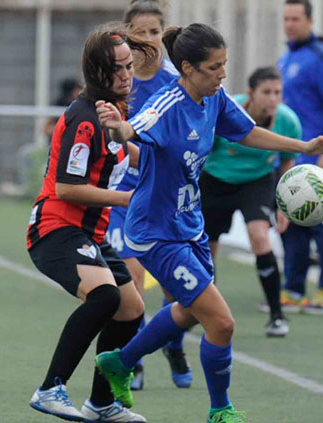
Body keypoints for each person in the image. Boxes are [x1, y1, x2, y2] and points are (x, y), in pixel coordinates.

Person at [93, 23, 323, 423]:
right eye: (214, 67)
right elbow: (131, 129)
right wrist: (117, 127)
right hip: (157, 232)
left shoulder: (215, 98)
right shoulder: (167, 105)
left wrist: (306, 147)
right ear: (187, 68)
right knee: (222, 322)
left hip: (190, 224)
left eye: (225, 65)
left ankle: (120, 361)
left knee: (190, 312)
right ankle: (220, 410)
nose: (223, 74)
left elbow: (248, 133)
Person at [25, 24, 154, 423]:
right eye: (119, 68)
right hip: (55, 229)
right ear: (98, 72)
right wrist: (131, 199)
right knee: (105, 298)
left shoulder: (113, 111)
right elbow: (66, 187)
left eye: (130, 66)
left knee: (131, 309)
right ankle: (50, 388)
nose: (127, 75)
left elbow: (125, 151)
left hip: (91, 235)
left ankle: (100, 403)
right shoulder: (84, 118)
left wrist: (168, 164)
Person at [108, 0, 192, 392]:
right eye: (139, 32)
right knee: (133, 277)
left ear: (164, 35)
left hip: (166, 193)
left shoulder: (176, 83)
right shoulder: (117, 83)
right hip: (125, 191)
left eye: (154, 32)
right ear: (126, 34)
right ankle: (135, 357)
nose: (146, 40)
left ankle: (172, 344)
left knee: (177, 288)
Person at [199, 66, 301, 337]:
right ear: (251, 93)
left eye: (278, 93)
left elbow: (287, 163)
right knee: (208, 248)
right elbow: (201, 153)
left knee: (260, 238)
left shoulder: (288, 121)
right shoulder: (227, 112)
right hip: (215, 181)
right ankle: (209, 313)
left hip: (257, 181)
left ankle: (277, 315)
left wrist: (284, 204)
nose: (272, 99)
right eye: (266, 92)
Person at [276, 0, 323, 314]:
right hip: (294, 153)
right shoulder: (287, 57)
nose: (290, 24)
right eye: (286, 18)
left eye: (296, 18)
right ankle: (293, 288)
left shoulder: (320, 56)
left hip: (317, 152)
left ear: (310, 20)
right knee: (292, 219)